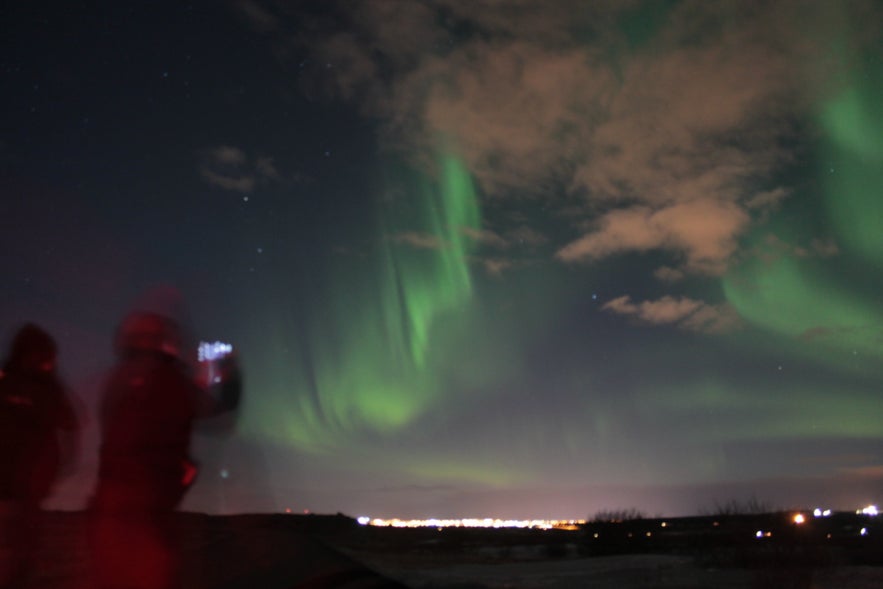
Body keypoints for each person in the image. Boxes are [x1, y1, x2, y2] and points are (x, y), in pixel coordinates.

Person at [90, 288, 241, 589]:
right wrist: (229, 370)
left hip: (106, 506)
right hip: (150, 510)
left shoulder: (117, 378)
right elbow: (221, 415)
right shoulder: (172, 383)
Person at [0, 323, 79, 589]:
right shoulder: (46, 389)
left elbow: (70, 424)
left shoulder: (25, 384)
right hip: (24, 490)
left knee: (19, 556)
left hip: (26, 490)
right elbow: (71, 424)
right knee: (19, 557)